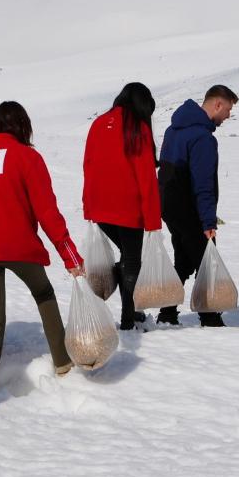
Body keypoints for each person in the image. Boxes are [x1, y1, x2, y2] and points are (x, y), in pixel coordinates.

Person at [0, 101, 84, 403]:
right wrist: (69, 254)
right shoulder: (27, 157)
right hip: (20, 247)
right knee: (44, 294)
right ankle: (62, 363)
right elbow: (47, 211)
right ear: (23, 126)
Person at [155, 85, 238, 327]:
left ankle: (168, 312)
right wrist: (208, 221)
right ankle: (210, 316)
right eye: (229, 109)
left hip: (169, 205)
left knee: (184, 260)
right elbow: (203, 183)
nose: (228, 116)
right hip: (189, 206)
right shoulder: (202, 138)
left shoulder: (173, 129)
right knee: (206, 260)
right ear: (218, 105)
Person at [82, 82, 161, 331]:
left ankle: (123, 297)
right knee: (132, 261)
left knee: (128, 259)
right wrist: (153, 220)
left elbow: (88, 164)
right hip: (128, 207)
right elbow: (146, 177)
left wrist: (88, 206)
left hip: (100, 206)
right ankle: (130, 319)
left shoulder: (98, 123)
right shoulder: (136, 127)